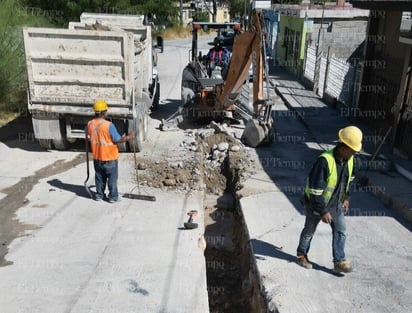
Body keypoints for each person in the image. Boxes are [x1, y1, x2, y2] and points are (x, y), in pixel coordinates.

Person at [296, 126, 363, 273]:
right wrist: (323, 211)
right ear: (344, 148)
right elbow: (314, 191)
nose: (354, 154)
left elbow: (349, 180)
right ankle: (301, 254)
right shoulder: (324, 161)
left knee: (341, 230)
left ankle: (339, 261)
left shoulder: (350, 161)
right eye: (352, 151)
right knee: (309, 231)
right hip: (316, 203)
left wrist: (346, 197)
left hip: (336, 203)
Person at [86, 99, 134, 203]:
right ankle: (113, 197)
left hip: (97, 157)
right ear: (104, 112)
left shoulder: (90, 124)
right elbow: (117, 139)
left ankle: (99, 195)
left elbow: (88, 136)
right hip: (110, 157)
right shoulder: (108, 125)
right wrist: (129, 137)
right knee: (112, 179)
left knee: (99, 177)